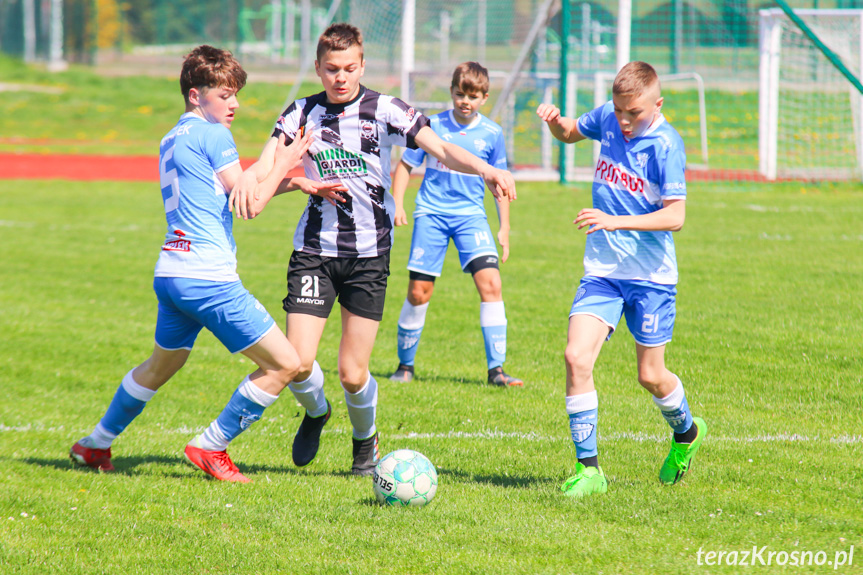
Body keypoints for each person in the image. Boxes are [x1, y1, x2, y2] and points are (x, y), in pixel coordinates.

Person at [232, 23, 516, 476]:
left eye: (349, 68)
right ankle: (317, 413)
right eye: (331, 69)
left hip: (369, 256)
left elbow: (441, 148)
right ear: (319, 69)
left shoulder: (386, 109)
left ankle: (365, 442)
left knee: (352, 372)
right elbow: (268, 162)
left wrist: (485, 169)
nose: (340, 77)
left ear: (362, 65)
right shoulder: (300, 112)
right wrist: (251, 176)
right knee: (298, 362)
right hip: (315, 250)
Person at [69, 45, 314, 483]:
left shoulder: (173, 137)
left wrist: (294, 181)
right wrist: (289, 160)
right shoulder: (215, 135)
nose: (234, 103)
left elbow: (234, 189)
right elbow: (250, 204)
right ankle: (211, 445)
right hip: (208, 278)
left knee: (160, 366)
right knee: (286, 364)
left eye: (236, 94)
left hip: (172, 273)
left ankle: (94, 444)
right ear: (196, 94)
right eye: (225, 94)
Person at [536, 61, 707, 498]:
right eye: (620, 111)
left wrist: (615, 220)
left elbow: (677, 215)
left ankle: (686, 433)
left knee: (651, 376)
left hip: (651, 278)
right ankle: (588, 470)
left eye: (635, 113)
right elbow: (572, 132)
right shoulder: (609, 118)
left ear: (657, 104)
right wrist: (557, 123)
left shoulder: (667, 145)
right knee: (576, 357)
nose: (625, 121)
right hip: (603, 273)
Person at [387, 62, 522, 388]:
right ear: (451, 92)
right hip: (431, 214)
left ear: (485, 98)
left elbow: (500, 182)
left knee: (491, 285)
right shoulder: (432, 126)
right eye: (460, 94)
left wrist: (503, 227)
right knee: (419, 292)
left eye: (473, 96)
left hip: (471, 217)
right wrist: (397, 204)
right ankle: (405, 366)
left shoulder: (492, 134)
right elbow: (406, 164)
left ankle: (497, 371)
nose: (465, 101)